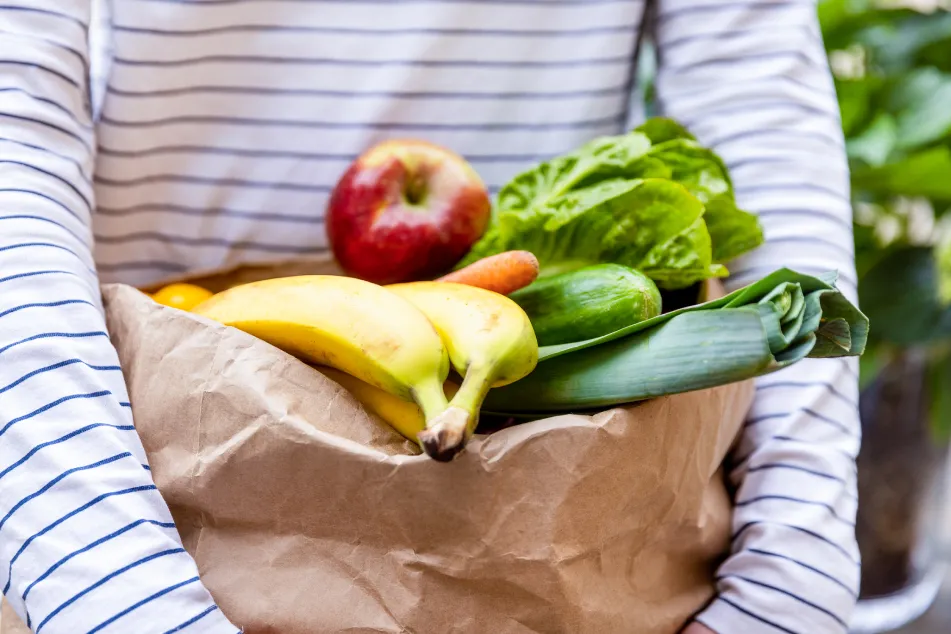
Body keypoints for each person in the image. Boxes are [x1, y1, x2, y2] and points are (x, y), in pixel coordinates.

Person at [0, 0, 859, 632]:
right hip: (147, 507)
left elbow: (758, 112)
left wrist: (788, 582)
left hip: (567, 520)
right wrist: (119, 600)